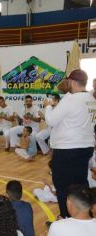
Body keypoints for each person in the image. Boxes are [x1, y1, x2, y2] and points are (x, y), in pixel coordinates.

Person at [44, 69, 95, 217]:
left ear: (72, 82)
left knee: (62, 185)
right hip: (85, 148)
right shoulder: (91, 99)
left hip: (68, 150)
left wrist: (48, 106)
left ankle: (65, 217)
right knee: (80, 183)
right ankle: (85, 216)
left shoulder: (70, 99)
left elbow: (51, 120)